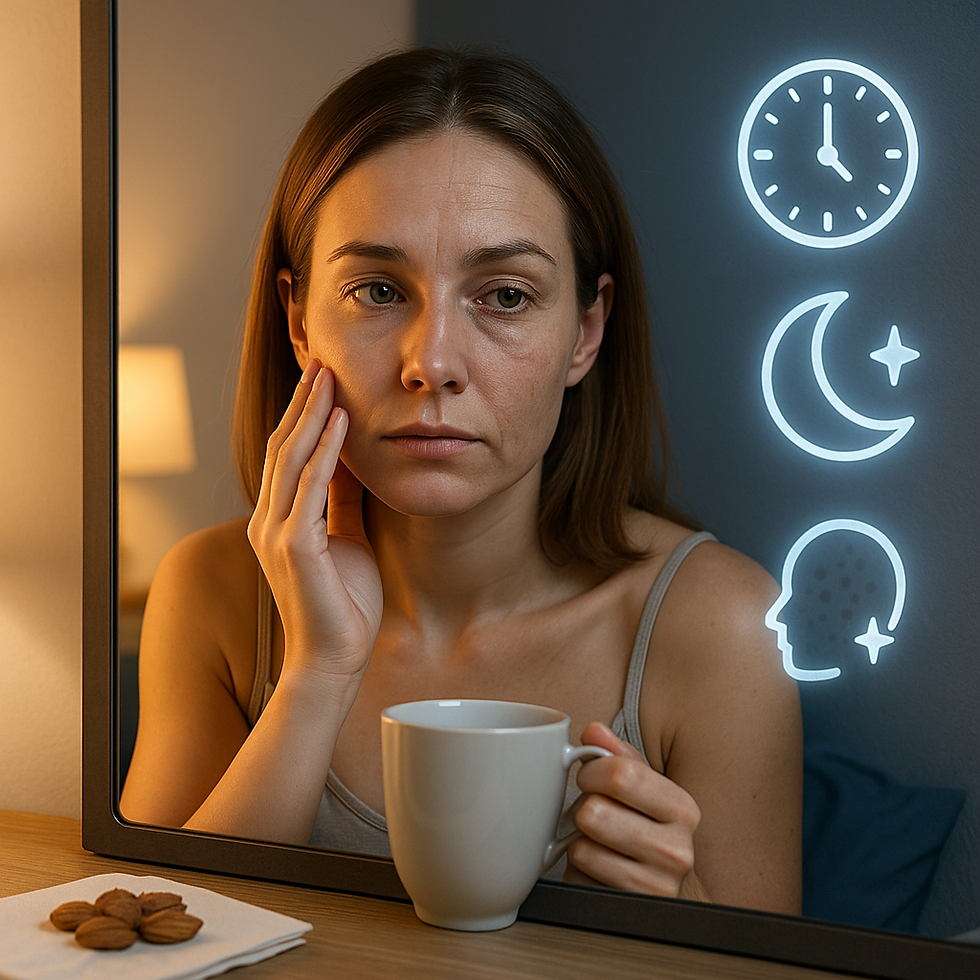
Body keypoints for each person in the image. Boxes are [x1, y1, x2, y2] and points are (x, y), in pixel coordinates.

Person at [120, 47, 802, 914]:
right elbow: (151, 933)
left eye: (506, 296)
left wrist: (685, 911)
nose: (432, 362)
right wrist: (318, 673)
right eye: (377, 291)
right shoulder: (212, 593)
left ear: (586, 331)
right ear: (298, 323)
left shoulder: (724, 629)